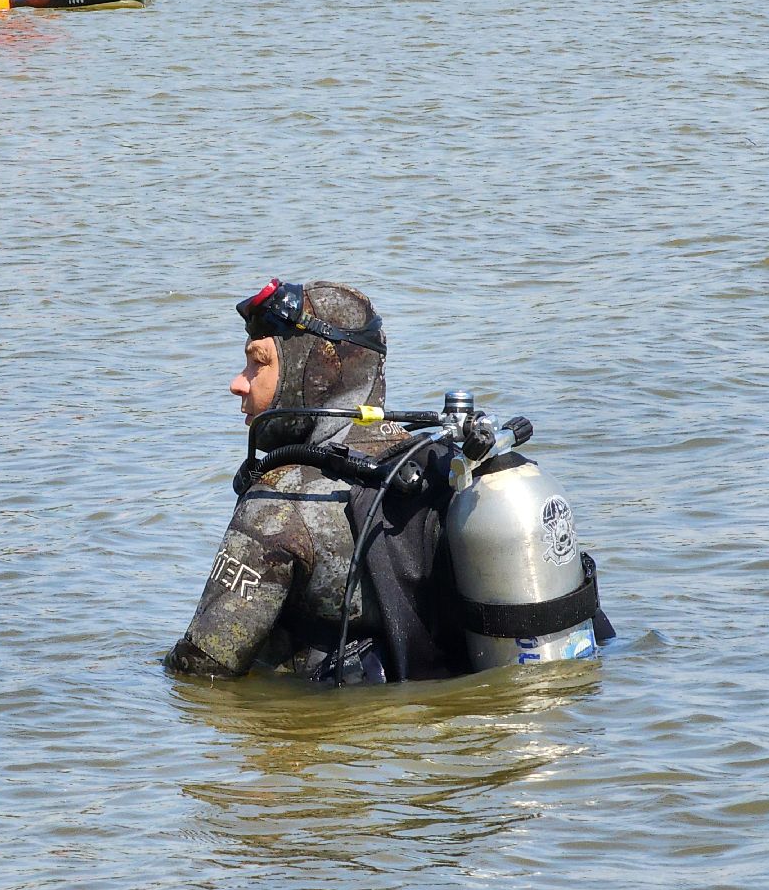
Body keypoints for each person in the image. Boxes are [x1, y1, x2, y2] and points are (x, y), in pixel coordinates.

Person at [165, 279, 612, 684]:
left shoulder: (281, 501)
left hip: (348, 757)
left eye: (256, 365)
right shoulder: (448, 466)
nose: (237, 384)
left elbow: (202, 671)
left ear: (314, 372)